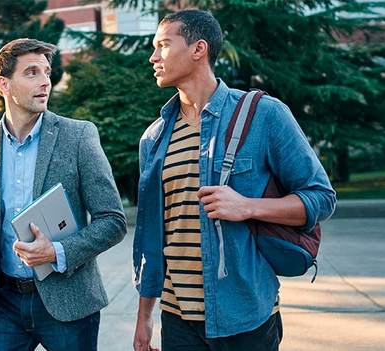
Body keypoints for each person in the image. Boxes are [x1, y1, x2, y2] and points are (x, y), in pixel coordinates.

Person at [132, 9, 336, 351]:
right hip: (177, 318)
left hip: (246, 316)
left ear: (199, 49)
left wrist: (247, 206)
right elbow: (152, 234)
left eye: (163, 45)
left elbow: (321, 198)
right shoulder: (153, 138)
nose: (153, 57)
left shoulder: (264, 115)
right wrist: (144, 316)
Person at [0, 38, 127, 351]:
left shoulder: (79, 135)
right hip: (6, 304)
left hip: (69, 304)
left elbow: (112, 221)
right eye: (32, 73)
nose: (45, 81)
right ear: (4, 84)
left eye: (47, 72)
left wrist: (56, 252)